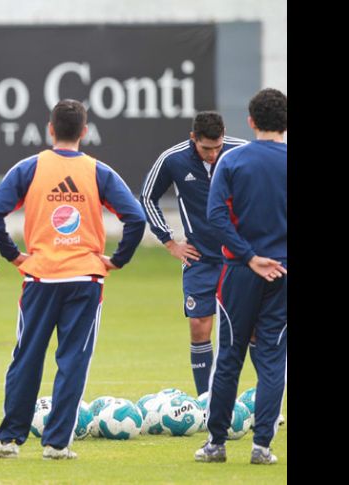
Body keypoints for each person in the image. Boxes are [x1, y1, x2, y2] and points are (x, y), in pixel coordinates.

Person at [0, 99, 146, 459]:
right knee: (73, 360)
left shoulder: (30, 167)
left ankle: (9, 440)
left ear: (50, 129)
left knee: (27, 357)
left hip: (40, 278)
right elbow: (135, 218)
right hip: (86, 278)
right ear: (85, 132)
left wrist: (14, 255)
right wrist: (117, 260)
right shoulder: (98, 171)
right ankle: (56, 445)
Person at [195, 88, 287, 465]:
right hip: (282, 273)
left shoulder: (232, 161)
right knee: (272, 357)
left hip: (239, 273)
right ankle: (262, 446)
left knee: (229, 355)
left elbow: (215, 218)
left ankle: (216, 444)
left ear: (250, 122)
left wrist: (250, 258)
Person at [140, 112, 247, 396]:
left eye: (217, 146)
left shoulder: (242, 152)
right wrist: (169, 241)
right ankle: (205, 401)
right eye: (206, 148)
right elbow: (147, 196)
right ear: (192, 139)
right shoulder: (173, 159)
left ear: (224, 135)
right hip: (200, 258)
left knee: (252, 329)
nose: (213, 154)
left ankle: (265, 403)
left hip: (239, 258)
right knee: (200, 326)